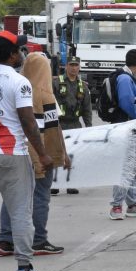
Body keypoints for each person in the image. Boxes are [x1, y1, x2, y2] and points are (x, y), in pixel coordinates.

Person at [0, 52, 70, 257]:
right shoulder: (46, 95)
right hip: (40, 153)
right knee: (40, 196)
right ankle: (38, 240)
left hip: (15, 151)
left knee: (12, 197)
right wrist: (59, 155)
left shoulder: (17, 88)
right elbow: (53, 130)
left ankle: (6, 240)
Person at [0, 31, 52, 271]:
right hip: (12, 154)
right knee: (20, 213)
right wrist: (43, 154)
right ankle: (24, 269)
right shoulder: (19, 82)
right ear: (12, 54)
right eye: (19, 49)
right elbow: (28, 122)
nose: (21, 54)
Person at [108, 49, 136, 220]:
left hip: (131, 128)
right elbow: (127, 104)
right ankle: (116, 205)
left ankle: (132, 204)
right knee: (124, 166)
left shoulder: (129, 78)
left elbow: (133, 101)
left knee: (133, 166)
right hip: (125, 128)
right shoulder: (125, 79)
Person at [51, 56, 91, 195]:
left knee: (74, 155)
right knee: (57, 154)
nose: (74, 67)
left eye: (76, 65)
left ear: (79, 67)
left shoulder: (83, 86)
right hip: (59, 124)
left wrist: (89, 127)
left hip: (75, 124)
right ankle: (55, 184)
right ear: (66, 66)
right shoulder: (56, 83)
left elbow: (87, 108)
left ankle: (71, 184)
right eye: (71, 65)